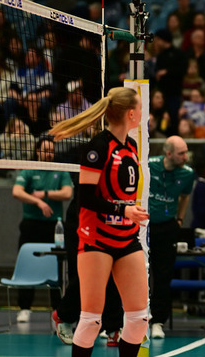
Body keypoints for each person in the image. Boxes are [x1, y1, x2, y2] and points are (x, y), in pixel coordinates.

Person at [50, 87, 150, 356]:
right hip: (96, 238)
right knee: (92, 320)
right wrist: (124, 210)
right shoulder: (97, 147)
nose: (143, 113)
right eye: (140, 107)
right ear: (131, 114)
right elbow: (86, 198)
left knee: (139, 319)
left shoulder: (131, 146)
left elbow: (121, 192)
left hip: (126, 237)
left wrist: (132, 210)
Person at [11, 137, 73, 323]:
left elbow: (67, 193)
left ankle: (57, 309)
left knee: (57, 267)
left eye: (51, 151)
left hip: (55, 227)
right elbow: (17, 191)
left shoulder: (60, 170)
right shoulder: (29, 169)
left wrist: (44, 194)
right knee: (27, 267)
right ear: (37, 151)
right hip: (31, 225)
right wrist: (38, 202)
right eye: (45, 150)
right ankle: (24, 308)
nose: (48, 154)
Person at [147, 136, 195, 339]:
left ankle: (158, 321)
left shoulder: (187, 174)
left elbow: (185, 196)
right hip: (144, 226)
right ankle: (127, 319)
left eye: (186, 152)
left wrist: (180, 219)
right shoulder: (148, 165)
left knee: (163, 276)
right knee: (135, 273)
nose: (186, 157)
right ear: (168, 154)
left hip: (167, 227)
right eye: (181, 153)